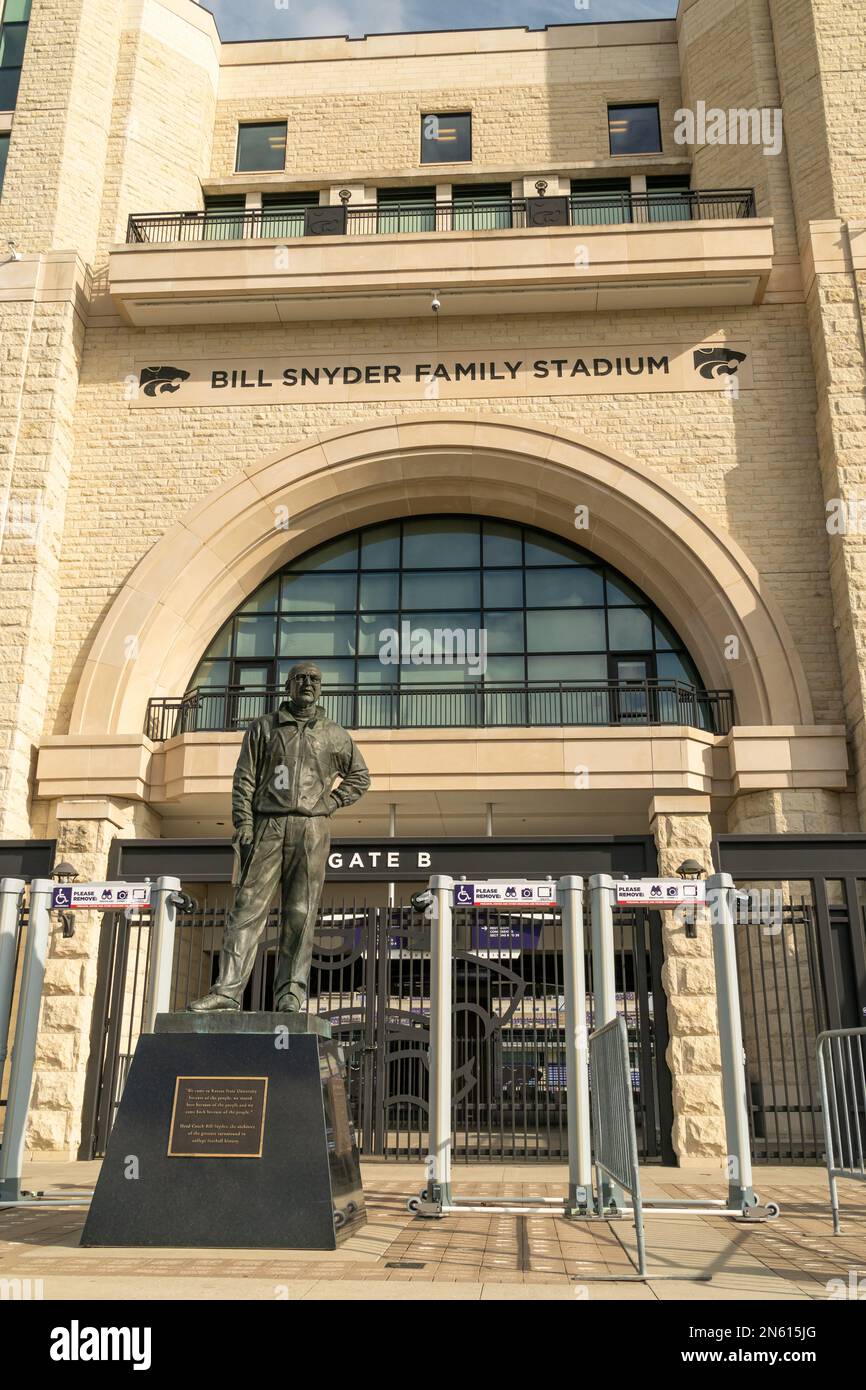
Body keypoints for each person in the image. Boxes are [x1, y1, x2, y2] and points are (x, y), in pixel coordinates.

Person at [189, 661, 370, 1013]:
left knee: (300, 913)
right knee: (247, 909)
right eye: (299, 678)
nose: (307, 684)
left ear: (321, 687)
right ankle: (226, 992)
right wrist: (243, 823)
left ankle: (291, 993)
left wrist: (331, 801)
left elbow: (359, 777)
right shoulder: (263, 728)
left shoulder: (334, 734)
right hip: (267, 825)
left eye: (314, 679)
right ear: (287, 686)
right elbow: (244, 779)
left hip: (312, 828)